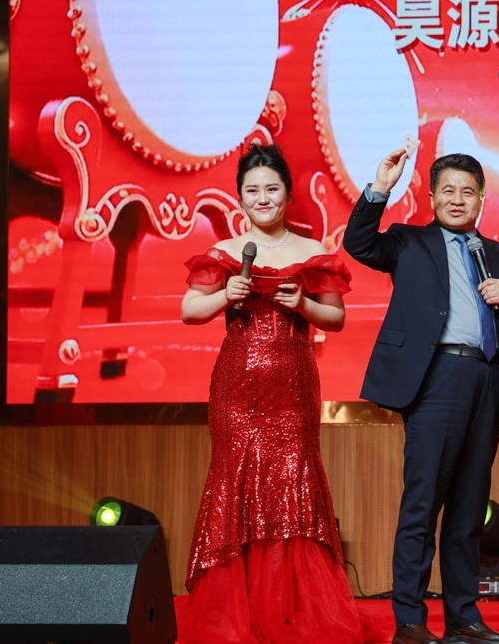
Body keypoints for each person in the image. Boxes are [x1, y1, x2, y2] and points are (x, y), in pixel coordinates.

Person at [343, 149, 499, 644]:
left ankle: (463, 619)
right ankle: (409, 621)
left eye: (467, 191)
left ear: (481, 199)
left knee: (470, 509)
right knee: (423, 502)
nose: (457, 199)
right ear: (432, 197)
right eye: (447, 190)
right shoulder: (408, 242)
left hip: (485, 380)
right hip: (434, 379)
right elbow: (358, 243)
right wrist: (380, 188)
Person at [177, 143, 364, 643]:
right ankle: (235, 614)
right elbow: (189, 311)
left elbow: (336, 318)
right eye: (252, 190)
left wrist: (303, 303)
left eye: (272, 188)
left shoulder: (312, 250)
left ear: (288, 194)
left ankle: (290, 610)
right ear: (240, 197)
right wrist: (225, 295)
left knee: (291, 486)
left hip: (292, 390)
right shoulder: (225, 252)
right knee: (235, 483)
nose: (262, 198)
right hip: (236, 390)